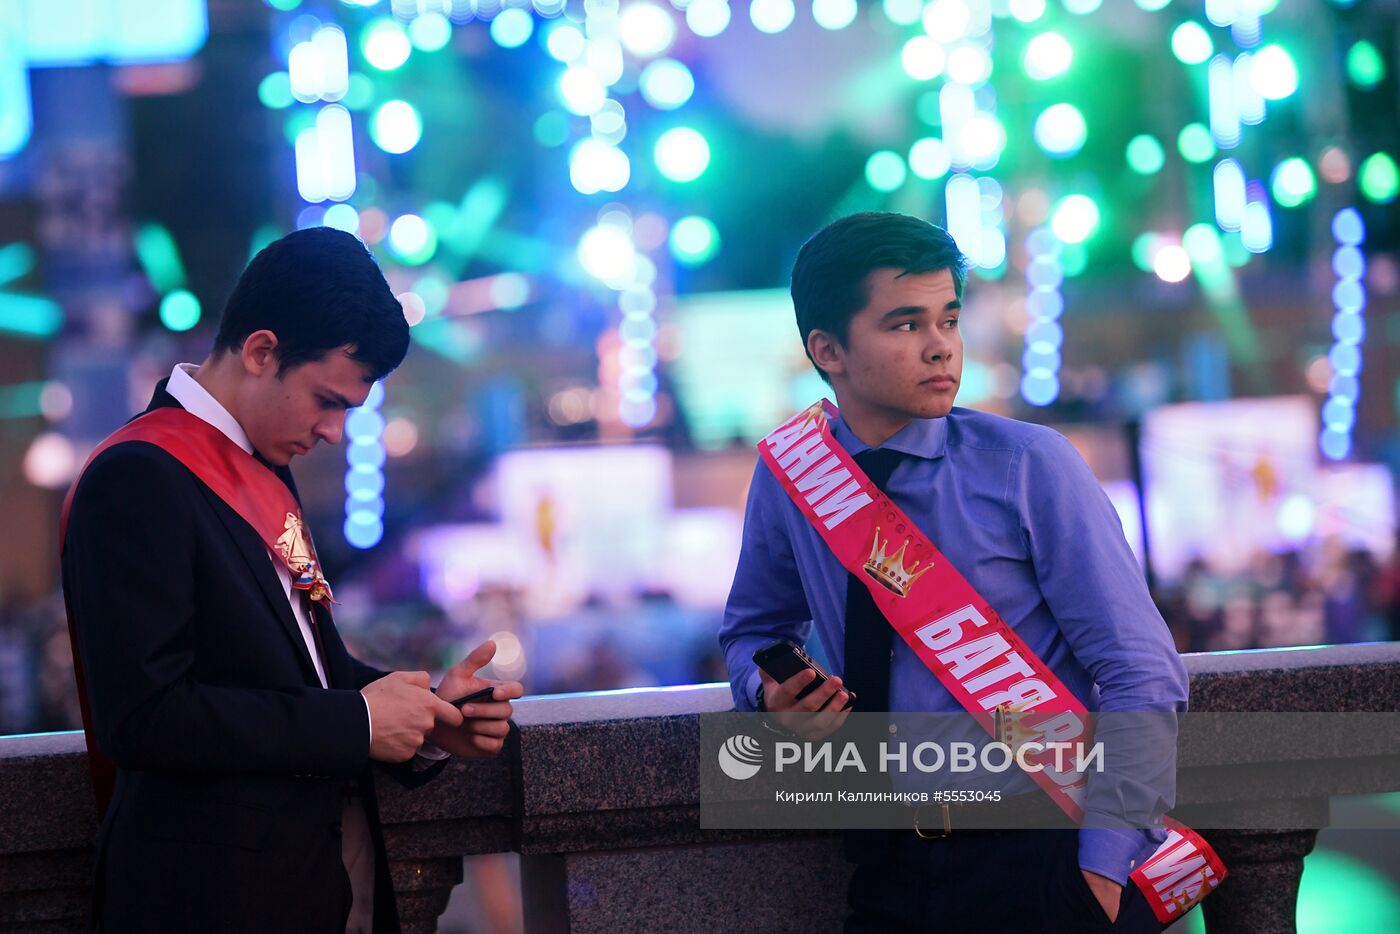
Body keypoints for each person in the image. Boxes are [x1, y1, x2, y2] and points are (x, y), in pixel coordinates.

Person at [718, 213, 1189, 932]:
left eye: (948, 319)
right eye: (905, 325)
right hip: (883, 864)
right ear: (828, 349)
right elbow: (752, 631)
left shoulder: (1031, 465)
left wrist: (1099, 871)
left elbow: (1142, 673)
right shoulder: (793, 478)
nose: (941, 347)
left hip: (1044, 855)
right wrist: (769, 690)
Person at [60, 227, 524, 933]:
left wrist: (432, 714)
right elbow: (147, 716)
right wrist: (362, 722)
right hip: (206, 900)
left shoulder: (264, 463)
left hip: (310, 886)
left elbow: (308, 667)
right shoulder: (137, 476)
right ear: (261, 351)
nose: (335, 432)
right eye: (327, 400)